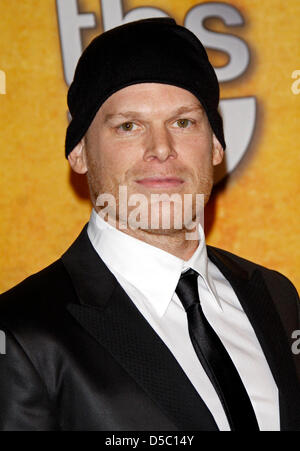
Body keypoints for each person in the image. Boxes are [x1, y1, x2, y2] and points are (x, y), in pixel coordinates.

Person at [0, 17, 299, 432]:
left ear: (215, 146)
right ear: (79, 154)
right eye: (128, 126)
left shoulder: (277, 298)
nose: (161, 148)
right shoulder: (21, 333)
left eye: (183, 122)